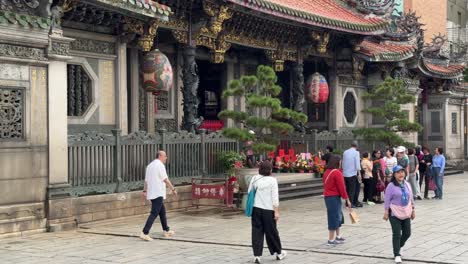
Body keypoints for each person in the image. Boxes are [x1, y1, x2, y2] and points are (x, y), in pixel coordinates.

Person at [249, 161, 287, 263]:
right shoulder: (272, 180)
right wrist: (276, 212)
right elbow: (275, 198)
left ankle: (257, 255)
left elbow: (249, 192)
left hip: (256, 209)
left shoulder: (254, 178)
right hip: (268, 210)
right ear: (270, 170)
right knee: (272, 232)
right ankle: (278, 253)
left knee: (256, 232)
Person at [140, 151, 177, 241]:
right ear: (160, 156)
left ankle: (166, 230)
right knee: (154, 213)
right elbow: (165, 179)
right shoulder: (160, 165)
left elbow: (146, 181)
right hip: (158, 192)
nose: (166, 158)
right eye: (165, 156)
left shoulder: (150, 165)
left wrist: (145, 191)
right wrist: (173, 189)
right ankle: (144, 232)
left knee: (162, 212)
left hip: (152, 193)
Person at [383, 165, 415, 264]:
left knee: (407, 233)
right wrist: (386, 211)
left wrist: (413, 209)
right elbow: (387, 199)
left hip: (406, 212)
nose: (401, 174)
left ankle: (398, 246)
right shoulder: (391, 186)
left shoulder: (407, 184)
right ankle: (397, 254)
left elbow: (411, 197)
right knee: (397, 234)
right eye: (398, 172)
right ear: (394, 174)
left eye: (402, 172)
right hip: (394, 213)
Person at [323, 155, 351, 245]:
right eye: (340, 162)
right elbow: (342, 188)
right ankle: (331, 240)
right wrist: (347, 199)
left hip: (328, 197)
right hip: (333, 197)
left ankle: (338, 236)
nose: (341, 163)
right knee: (334, 217)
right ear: (337, 162)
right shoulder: (337, 173)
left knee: (337, 216)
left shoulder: (326, 172)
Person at [342, 141, 362, 208]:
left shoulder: (345, 152)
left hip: (345, 173)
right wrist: (359, 173)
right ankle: (350, 203)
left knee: (347, 189)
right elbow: (357, 163)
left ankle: (347, 202)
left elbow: (343, 162)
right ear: (357, 146)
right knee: (352, 189)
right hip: (352, 173)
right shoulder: (356, 153)